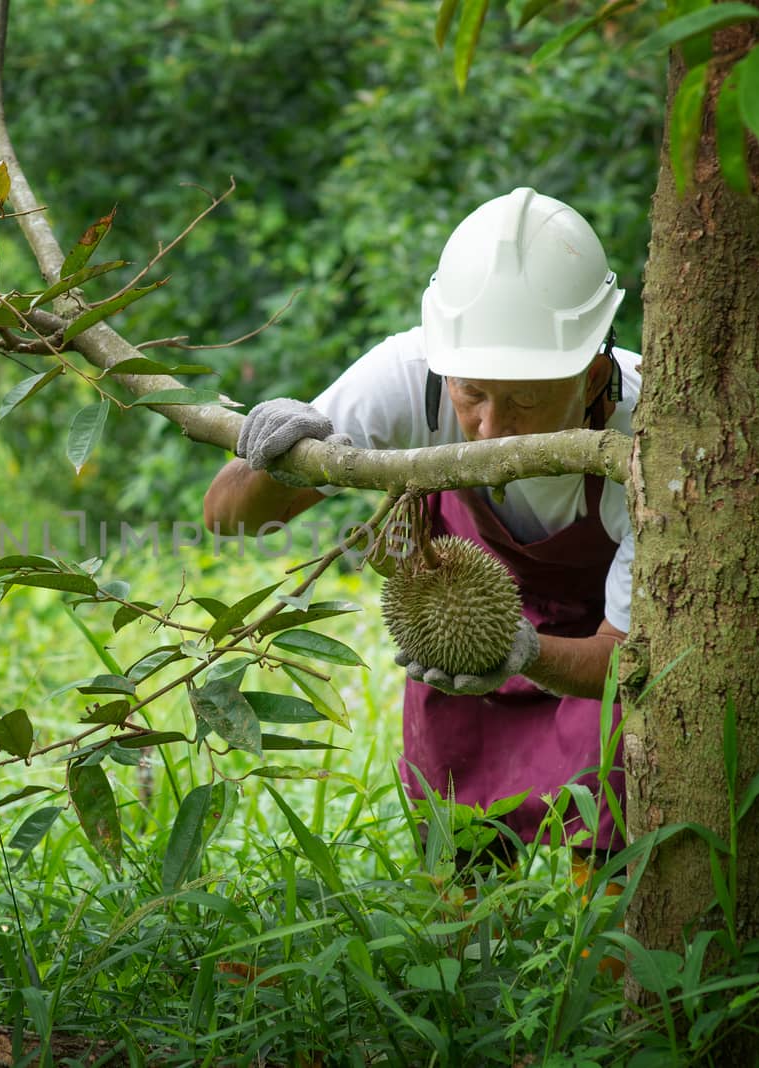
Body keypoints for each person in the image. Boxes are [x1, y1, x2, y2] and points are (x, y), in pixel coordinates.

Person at [203, 187, 637, 867]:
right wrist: (270, 457)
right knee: (458, 831)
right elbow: (229, 520)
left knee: (610, 811)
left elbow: (630, 658)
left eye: (526, 397)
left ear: (592, 374)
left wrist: (527, 654)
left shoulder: (644, 438)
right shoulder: (410, 377)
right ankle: (466, 960)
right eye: (473, 393)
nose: (491, 428)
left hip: (600, 659)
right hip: (456, 639)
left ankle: (604, 963)